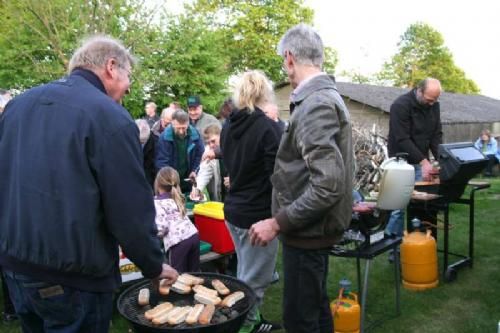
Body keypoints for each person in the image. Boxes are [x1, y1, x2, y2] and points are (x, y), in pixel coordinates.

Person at [0, 35, 178, 333]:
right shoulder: (109, 117)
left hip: (16, 268)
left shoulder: (18, 107)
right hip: (73, 276)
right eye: (128, 76)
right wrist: (154, 265)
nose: (129, 86)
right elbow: (129, 210)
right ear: (111, 66)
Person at [249, 24, 353, 333]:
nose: (286, 70)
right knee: (317, 311)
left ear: (290, 57)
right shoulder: (326, 97)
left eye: (285, 62)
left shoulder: (316, 103)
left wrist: (276, 222)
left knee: (300, 321)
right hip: (311, 232)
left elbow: (328, 184)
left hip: (307, 234)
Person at [220, 70, 282, 333]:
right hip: (257, 215)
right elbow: (278, 177)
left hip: (233, 210)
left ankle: (254, 321)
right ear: (264, 93)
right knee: (253, 282)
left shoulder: (228, 126)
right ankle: (242, 327)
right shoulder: (267, 128)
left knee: (245, 273)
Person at [385, 78, 443, 242]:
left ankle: (418, 242)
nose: (432, 104)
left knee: (419, 204)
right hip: (400, 162)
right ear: (419, 90)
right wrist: (424, 162)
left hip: (419, 161)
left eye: (435, 100)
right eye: (429, 99)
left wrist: (441, 159)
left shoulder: (433, 106)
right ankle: (392, 246)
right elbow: (402, 138)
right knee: (399, 206)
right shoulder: (400, 105)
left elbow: (435, 135)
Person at [154, 167, 200, 273]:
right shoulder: (177, 197)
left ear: (157, 183)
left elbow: (162, 228)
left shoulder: (156, 202)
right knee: (195, 274)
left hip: (178, 243)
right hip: (193, 235)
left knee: (178, 278)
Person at [155, 109, 205, 193]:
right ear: (172, 124)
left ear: (188, 124)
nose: (181, 131)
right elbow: (161, 162)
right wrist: (170, 179)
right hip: (171, 182)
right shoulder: (164, 138)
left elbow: (200, 155)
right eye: (178, 128)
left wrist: (194, 170)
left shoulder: (195, 135)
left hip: (188, 179)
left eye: (184, 128)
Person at [190, 124, 228, 202]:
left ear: (221, 136)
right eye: (208, 143)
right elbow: (204, 172)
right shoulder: (208, 152)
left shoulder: (233, 147)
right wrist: (197, 188)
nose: (211, 145)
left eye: (213, 141)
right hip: (220, 196)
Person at [136, 119, 157, 189]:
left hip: (148, 176)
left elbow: (152, 167)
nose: (142, 143)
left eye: (144, 141)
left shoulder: (155, 141)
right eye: (140, 141)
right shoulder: (127, 140)